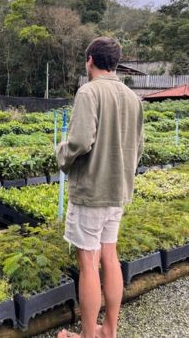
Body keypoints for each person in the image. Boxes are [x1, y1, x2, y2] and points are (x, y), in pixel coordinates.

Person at [56, 37, 144, 338]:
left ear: (90, 59)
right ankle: (109, 330)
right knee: (110, 256)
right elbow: (139, 149)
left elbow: (80, 141)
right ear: (115, 63)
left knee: (88, 263)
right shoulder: (133, 98)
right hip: (118, 192)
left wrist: (61, 154)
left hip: (91, 192)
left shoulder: (89, 91)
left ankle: (89, 336)